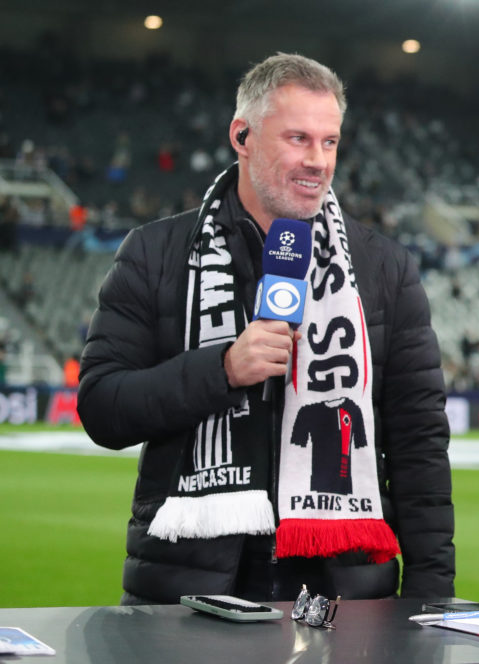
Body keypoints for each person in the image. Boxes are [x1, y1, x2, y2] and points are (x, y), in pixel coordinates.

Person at [79, 53, 454, 605]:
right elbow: (103, 408)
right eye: (298, 138)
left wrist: (429, 597)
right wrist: (223, 369)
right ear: (242, 136)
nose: (318, 162)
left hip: (344, 592)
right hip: (188, 595)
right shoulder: (156, 253)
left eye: (330, 142)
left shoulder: (383, 267)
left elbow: (419, 442)